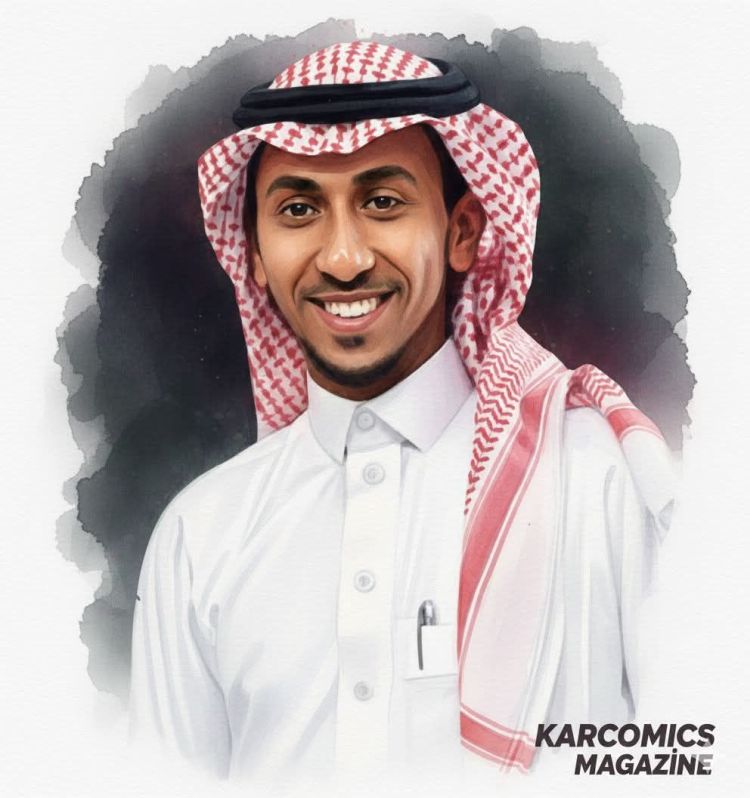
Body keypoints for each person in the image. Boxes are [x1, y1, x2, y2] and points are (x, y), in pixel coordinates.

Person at [130, 41, 675, 784]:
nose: (343, 259)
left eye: (383, 203)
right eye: (298, 210)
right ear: (253, 250)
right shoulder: (201, 535)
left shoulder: (594, 482)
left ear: (463, 232)